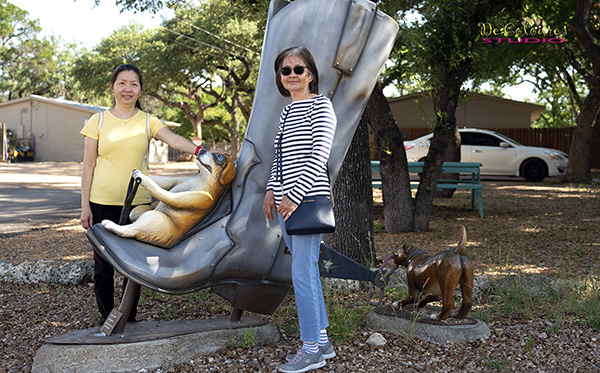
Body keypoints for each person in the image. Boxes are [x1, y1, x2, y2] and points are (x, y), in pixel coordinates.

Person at [80, 63, 210, 324]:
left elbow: (173, 139)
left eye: (134, 84)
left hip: (137, 204)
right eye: (122, 83)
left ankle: (129, 317)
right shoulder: (98, 121)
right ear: (112, 87)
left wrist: (201, 152)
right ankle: (107, 318)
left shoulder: (148, 120)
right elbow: (88, 166)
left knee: (134, 265)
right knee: (103, 266)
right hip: (101, 202)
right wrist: (85, 206)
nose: (127, 89)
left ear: (140, 90)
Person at [263, 46, 337, 373]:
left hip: (304, 202)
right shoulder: (287, 111)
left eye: (299, 69)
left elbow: (319, 156)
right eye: (286, 70)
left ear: (310, 74)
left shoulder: (320, 106)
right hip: (284, 204)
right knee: (306, 271)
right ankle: (322, 341)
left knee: (302, 273)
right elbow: (279, 158)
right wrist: (270, 190)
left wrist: (293, 195)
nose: (292, 75)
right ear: (280, 77)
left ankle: (310, 351)